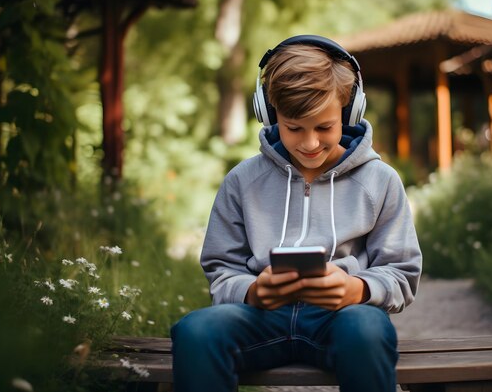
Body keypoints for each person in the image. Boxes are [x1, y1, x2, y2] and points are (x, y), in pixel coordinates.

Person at [170, 35, 422, 392]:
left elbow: (401, 271)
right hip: (260, 318)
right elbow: (221, 270)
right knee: (195, 331)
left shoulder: (379, 181)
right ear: (269, 114)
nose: (309, 143)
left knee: (367, 330)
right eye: (293, 128)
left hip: (342, 319)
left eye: (324, 127)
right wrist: (254, 292)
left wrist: (357, 289)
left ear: (349, 113)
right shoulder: (242, 181)